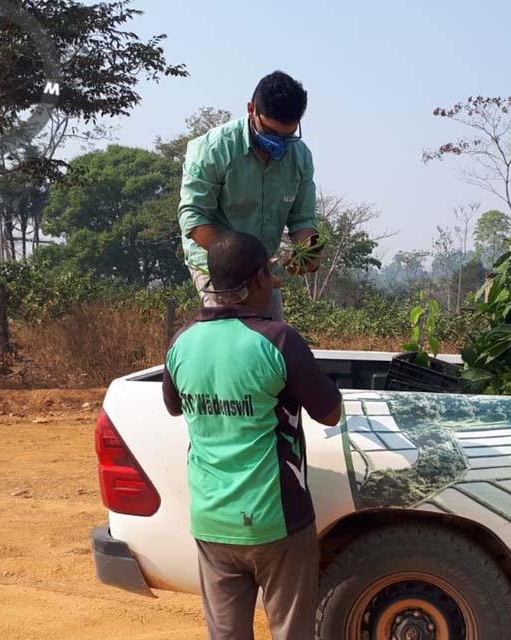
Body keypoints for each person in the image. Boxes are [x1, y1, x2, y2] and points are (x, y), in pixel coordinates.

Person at [162, 231, 342, 640]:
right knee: (292, 631)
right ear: (261, 278)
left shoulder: (182, 343)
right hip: (275, 520)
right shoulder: (279, 340)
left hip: (211, 519)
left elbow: (175, 406)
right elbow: (330, 413)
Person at [178, 70, 322, 322]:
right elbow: (194, 218)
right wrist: (240, 262)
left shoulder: (300, 156)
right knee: (231, 333)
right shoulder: (213, 149)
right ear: (251, 109)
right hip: (216, 264)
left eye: (287, 135)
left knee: (270, 333)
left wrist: (309, 252)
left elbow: (303, 221)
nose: (279, 142)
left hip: (262, 268)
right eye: (270, 132)